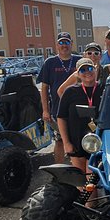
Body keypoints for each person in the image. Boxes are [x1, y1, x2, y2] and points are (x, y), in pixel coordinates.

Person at [38, 32, 82, 163]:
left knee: (79, 139)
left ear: (71, 44)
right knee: (59, 140)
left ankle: (79, 169)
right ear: (57, 45)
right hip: (58, 109)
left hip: (77, 109)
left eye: (67, 42)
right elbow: (44, 88)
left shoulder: (79, 60)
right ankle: (59, 172)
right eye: (61, 42)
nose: (64, 45)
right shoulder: (50, 62)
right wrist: (45, 110)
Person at [56, 57, 105, 175]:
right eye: (83, 70)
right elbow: (61, 117)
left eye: (90, 68)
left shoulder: (104, 88)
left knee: (91, 181)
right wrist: (67, 143)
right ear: (77, 74)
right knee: (80, 182)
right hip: (76, 142)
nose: (87, 72)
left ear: (95, 70)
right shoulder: (70, 91)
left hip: (97, 142)